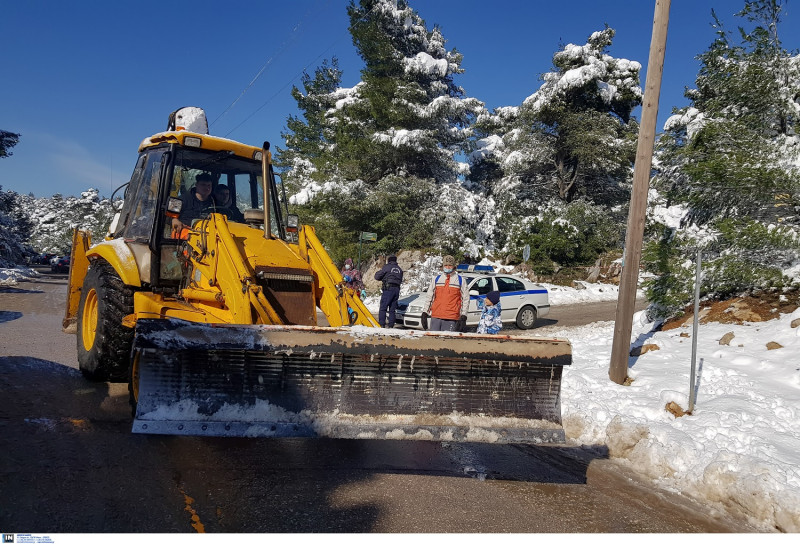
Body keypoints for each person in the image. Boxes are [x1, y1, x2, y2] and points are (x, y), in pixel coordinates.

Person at [422, 255, 469, 332]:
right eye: (446, 265)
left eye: (450, 265)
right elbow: (429, 297)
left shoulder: (460, 280)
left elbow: (466, 299)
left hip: (451, 318)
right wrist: (425, 312)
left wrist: (464, 316)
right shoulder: (437, 279)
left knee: (447, 339)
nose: (447, 267)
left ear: (454, 266)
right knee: (434, 339)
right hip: (436, 317)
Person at [374, 255, 403, 328]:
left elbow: (377, 276)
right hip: (397, 290)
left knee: (383, 307)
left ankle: (382, 324)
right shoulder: (399, 269)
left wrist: (383, 277)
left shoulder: (387, 267)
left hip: (388, 289)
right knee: (392, 309)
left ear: (389, 260)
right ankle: (391, 325)